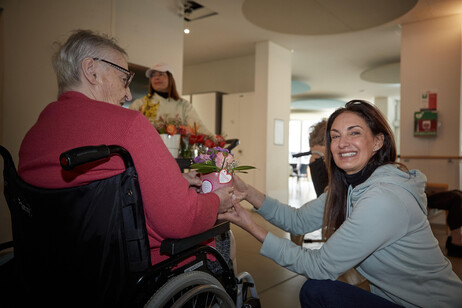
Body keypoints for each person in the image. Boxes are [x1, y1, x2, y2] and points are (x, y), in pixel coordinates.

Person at [17, 29, 234, 267]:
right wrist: (215, 202)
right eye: (123, 79)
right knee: (225, 237)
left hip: (59, 267)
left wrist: (179, 181)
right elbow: (180, 219)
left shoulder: (32, 136)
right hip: (131, 271)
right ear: (91, 71)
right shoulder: (128, 124)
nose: (128, 93)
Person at [220, 100, 462, 307]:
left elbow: (320, 265)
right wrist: (247, 192)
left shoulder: (383, 199)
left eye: (354, 132)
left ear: (378, 142)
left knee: (316, 291)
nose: (342, 142)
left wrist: (250, 225)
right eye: (335, 136)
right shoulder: (349, 186)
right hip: (396, 299)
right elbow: (298, 220)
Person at [129, 62, 212, 136]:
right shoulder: (139, 104)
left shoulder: (183, 105)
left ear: (170, 78)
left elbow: (199, 128)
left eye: (161, 74)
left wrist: (215, 139)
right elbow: (128, 126)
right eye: (153, 75)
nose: (156, 78)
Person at [427, 190, 462, 257]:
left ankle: (455, 238)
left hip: (425, 193)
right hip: (422, 197)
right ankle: (455, 240)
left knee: (459, 193)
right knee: (457, 198)